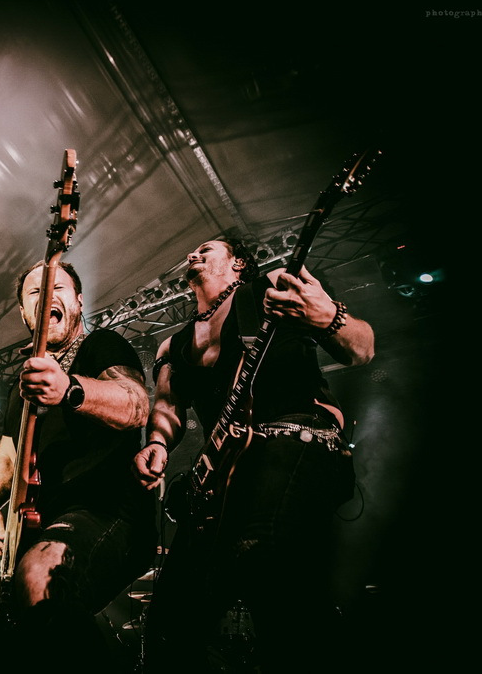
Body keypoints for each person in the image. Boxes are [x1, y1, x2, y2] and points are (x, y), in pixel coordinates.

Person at [132, 237, 375, 673]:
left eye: (207, 249)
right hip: (224, 471)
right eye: (192, 252)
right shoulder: (173, 345)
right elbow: (167, 406)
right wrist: (157, 443)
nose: (192, 255)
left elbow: (362, 348)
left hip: (296, 439)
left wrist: (325, 316)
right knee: (168, 622)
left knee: (263, 554)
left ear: (239, 263)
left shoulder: (270, 290)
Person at [0, 259, 159, 673]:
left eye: (58, 288)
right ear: (25, 314)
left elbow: (135, 404)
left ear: (78, 302)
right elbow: (9, 451)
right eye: (34, 292)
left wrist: (69, 388)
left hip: (107, 509)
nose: (46, 297)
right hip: (41, 522)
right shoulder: (20, 385)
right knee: (11, 652)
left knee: (42, 575)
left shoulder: (100, 346)